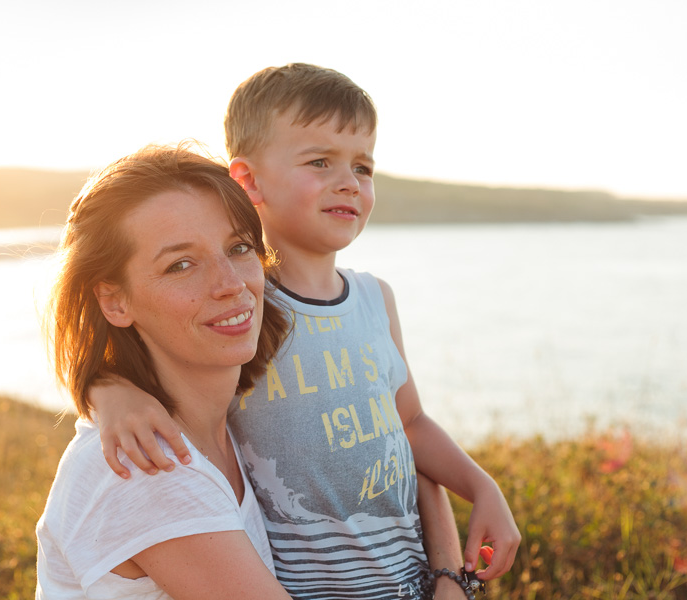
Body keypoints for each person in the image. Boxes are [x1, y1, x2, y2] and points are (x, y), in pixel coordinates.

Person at [90, 64, 521, 600]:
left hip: (416, 581)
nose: (349, 182)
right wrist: (110, 393)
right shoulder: (239, 307)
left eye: (363, 166)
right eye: (320, 161)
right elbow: (139, 364)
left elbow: (408, 421)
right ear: (247, 180)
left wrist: (483, 489)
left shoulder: (374, 298)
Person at [35, 145, 296, 599]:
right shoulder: (142, 463)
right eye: (180, 265)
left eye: (238, 248)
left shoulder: (230, 425)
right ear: (114, 301)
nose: (231, 283)